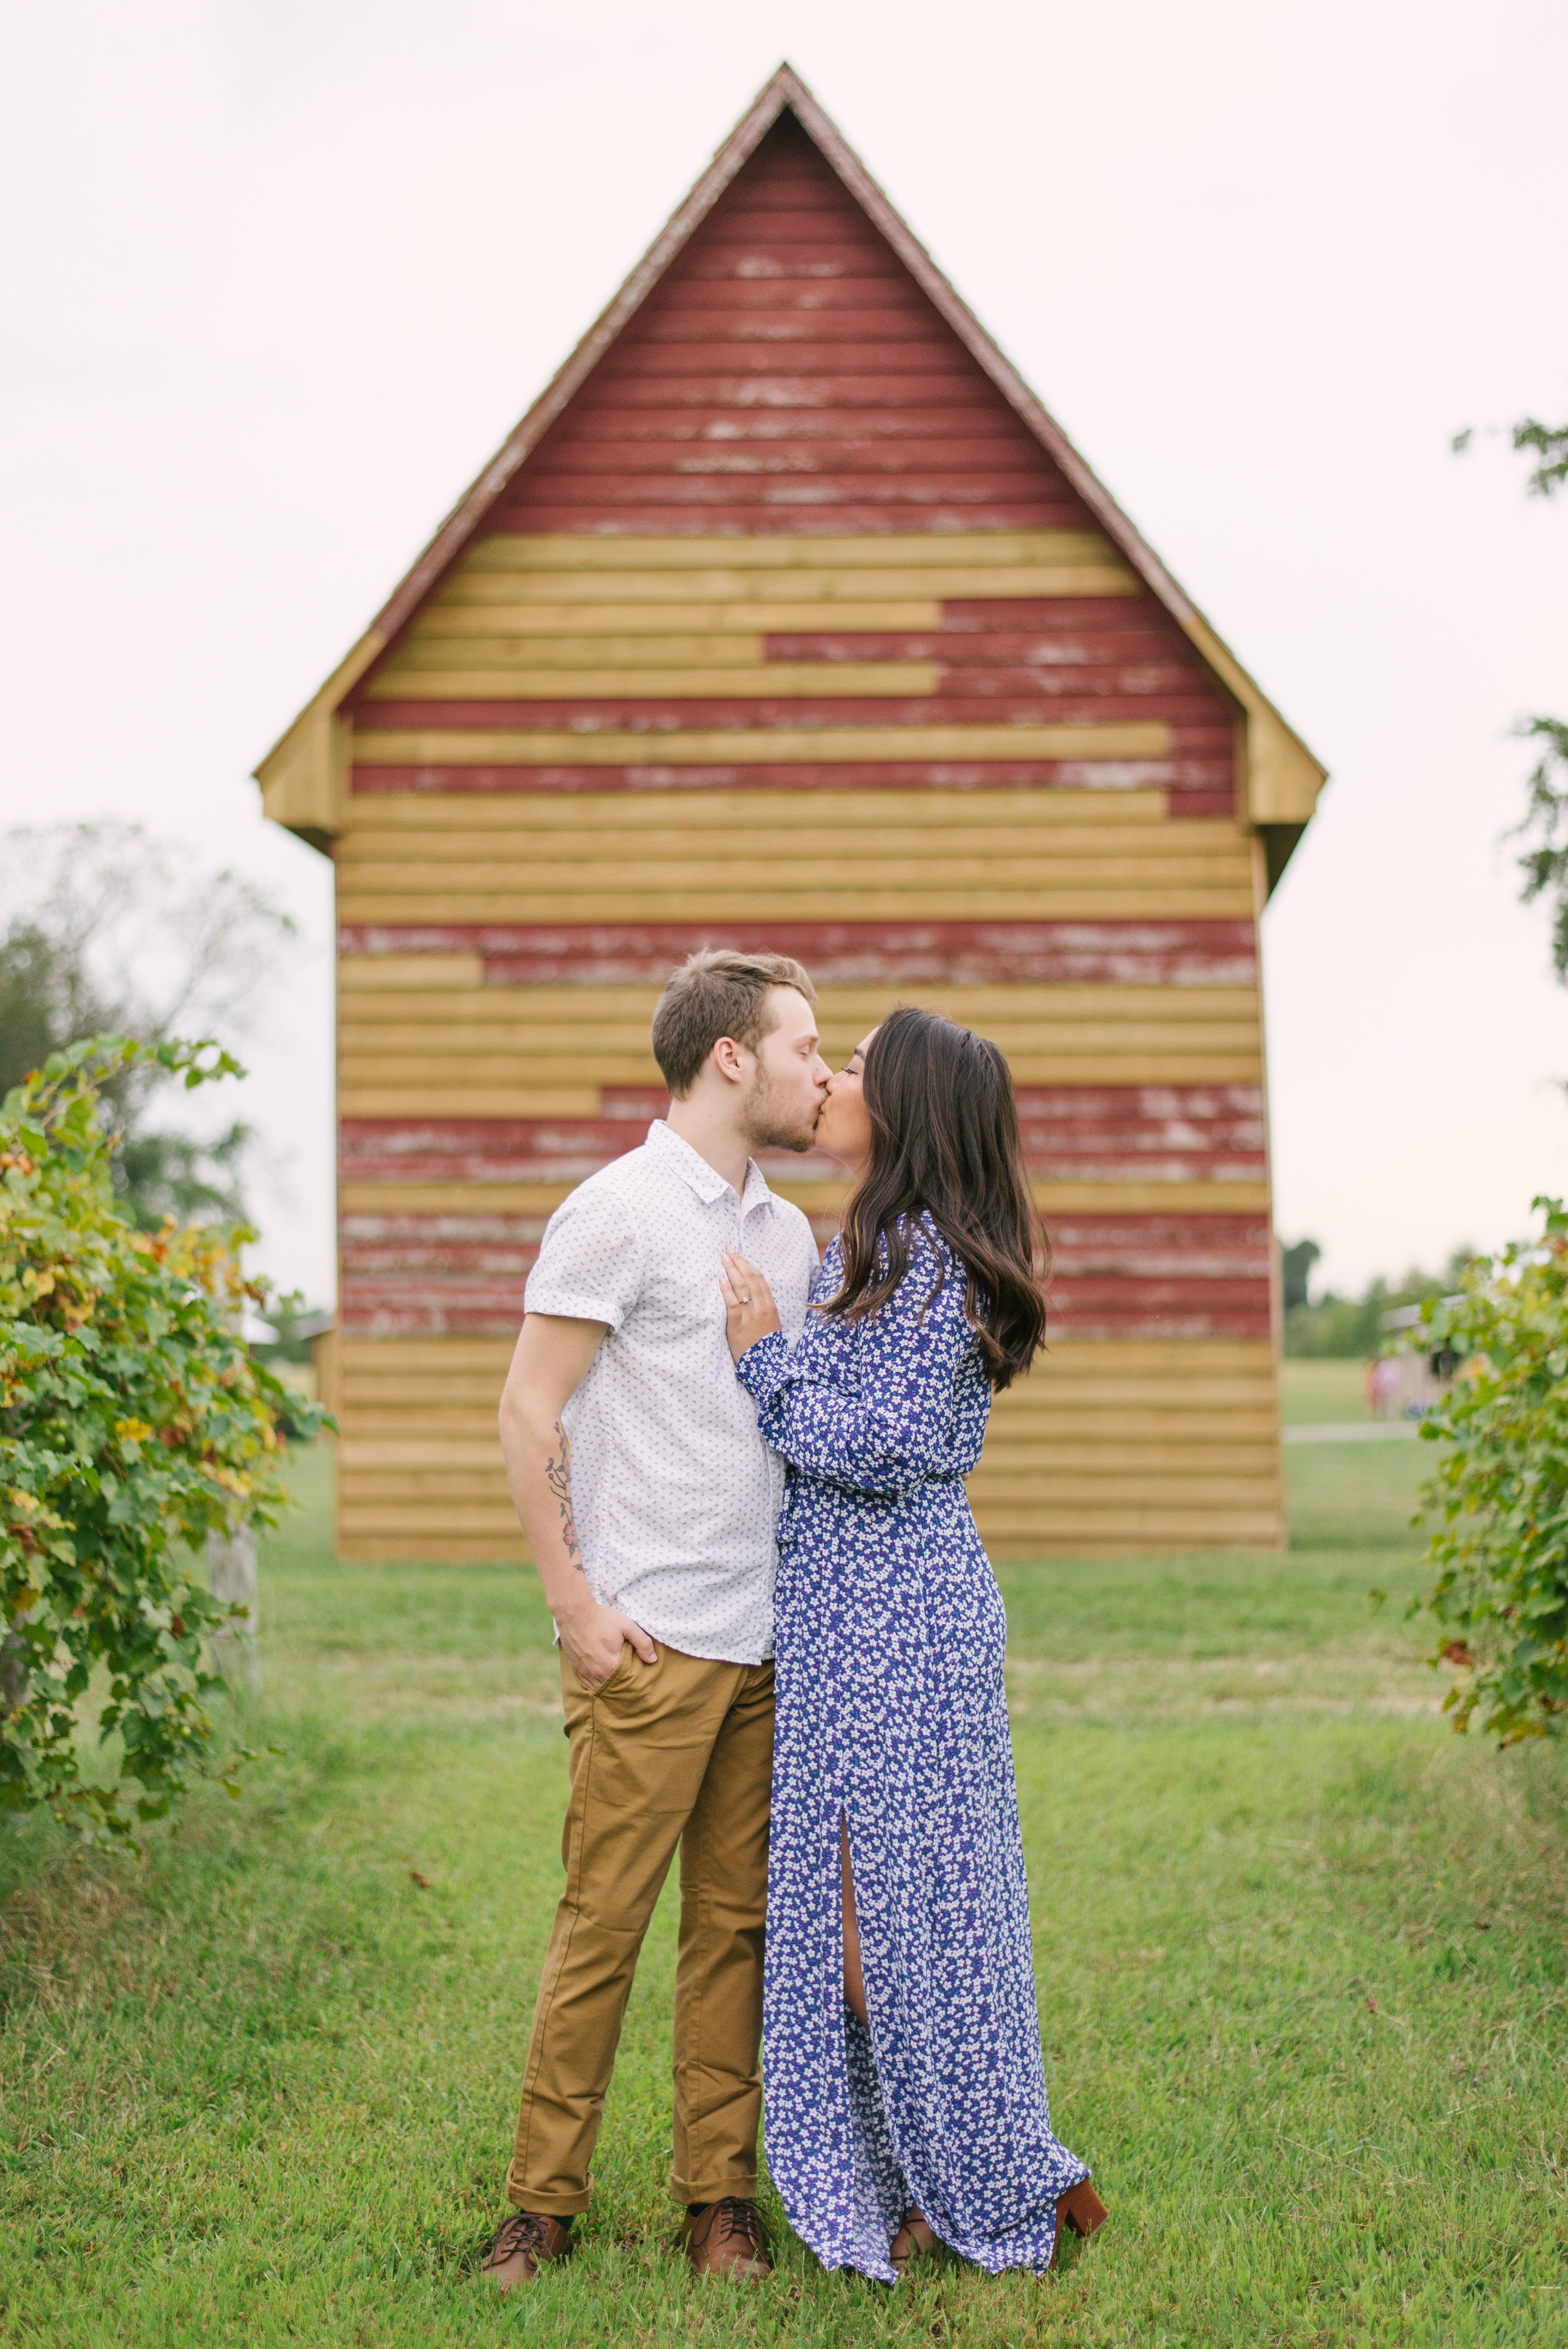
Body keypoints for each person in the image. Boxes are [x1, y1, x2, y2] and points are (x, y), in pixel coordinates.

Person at [718, 1007, 1108, 2283]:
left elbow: (887, 1445)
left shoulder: (930, 1253)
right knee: (872, 1924)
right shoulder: (875, 1239)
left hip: (905, 1624)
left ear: (909, 1112)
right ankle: (925, 2177)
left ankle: (978, 2178)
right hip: (842, 1623)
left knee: (897, 1930)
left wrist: (765, 1362)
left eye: (856, 1070)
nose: (829, 1080)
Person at [479, 948, 829, 2290]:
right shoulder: (615, 1211)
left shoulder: (789, 1234)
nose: (818, 1066)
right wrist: (572, 1602)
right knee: (601, 1929)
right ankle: (538, 2207)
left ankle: (717, 2202)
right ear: (728, 1056)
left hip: (766, 1645)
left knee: (732, 1932)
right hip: (645, 1641)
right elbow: (526, 1408)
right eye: (802, 1043)